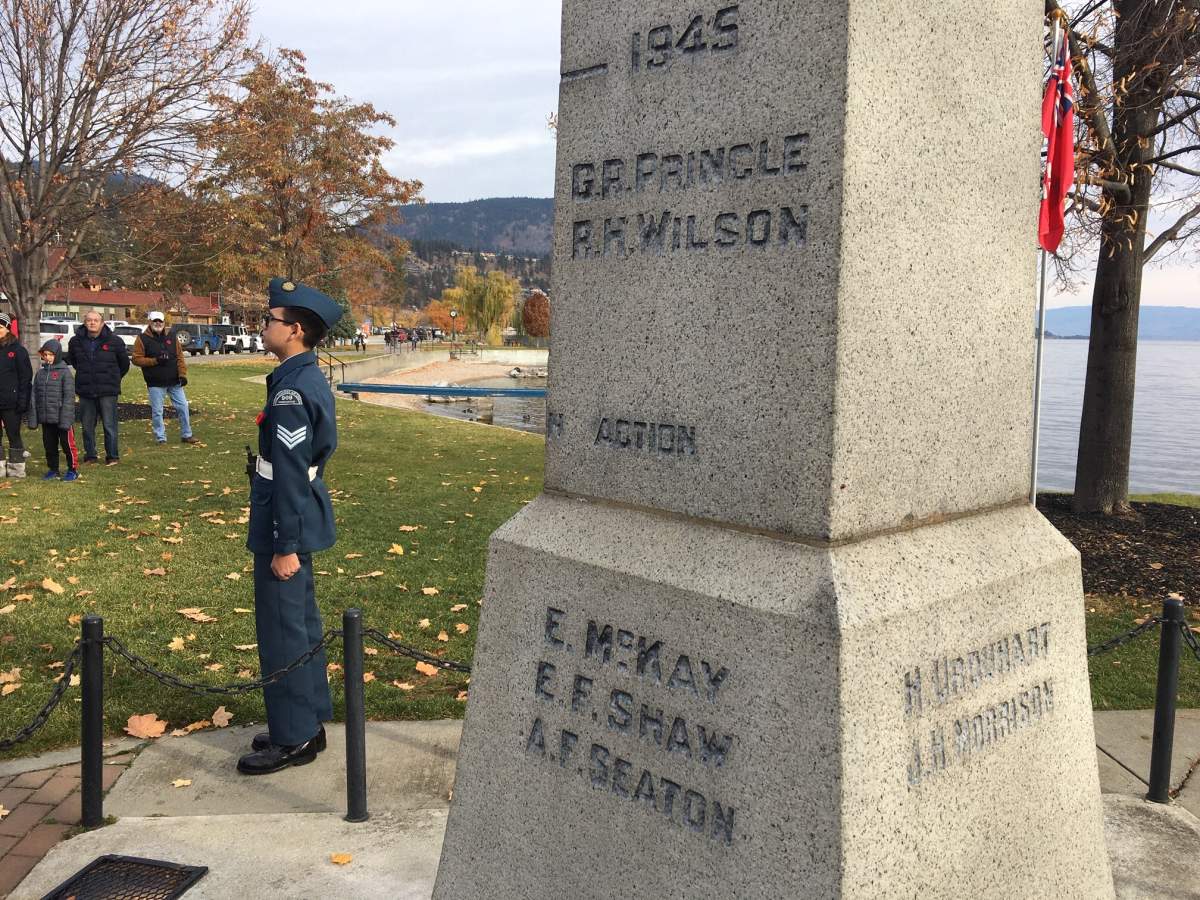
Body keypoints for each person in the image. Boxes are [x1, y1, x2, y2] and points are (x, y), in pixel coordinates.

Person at [238, 278, 342, 776]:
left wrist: (286, 544)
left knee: (283, 628)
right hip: (292, 513)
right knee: (300, 622)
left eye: (269, 320)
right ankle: (307, 720)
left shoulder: (291, 391)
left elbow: (290, 472)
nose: (263, 326)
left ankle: (294, 736)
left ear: (295, 330)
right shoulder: (299, 376)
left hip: (285, 518)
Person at [67, 310, 129, 465]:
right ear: (84, 322)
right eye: (89, 320)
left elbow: (124, 364)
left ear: (102, 323)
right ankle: (90, 456)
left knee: (109, 425)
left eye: (96, 320)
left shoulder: (115, 341)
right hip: (86, 389)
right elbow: (74, 362)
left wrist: (113, 378)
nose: (92, 323)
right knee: (87, 426)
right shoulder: (75, 341)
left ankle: (112, 456)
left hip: (108, 390)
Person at [131, 312, 198, 445]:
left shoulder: (172, 337)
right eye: (155, 321)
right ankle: (161, 438)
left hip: (174, 381)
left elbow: (180, 357)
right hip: (155, 382)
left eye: (160, 321)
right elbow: (136, 359)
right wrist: (155, 361)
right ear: (150, 322)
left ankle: (186, 435)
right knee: (157, 411)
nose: (158, 323)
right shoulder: (142, 339)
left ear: (164, 322)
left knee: (183, 407)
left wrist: (182, 375)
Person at [27, 340, 78, 481]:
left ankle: (72, 469)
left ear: (58, 355)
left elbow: (69, 397)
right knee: (49, 446)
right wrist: (34, 418)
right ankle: (53, 469)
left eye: (51, 354)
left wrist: (66, 419)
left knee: (67, 445)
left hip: (62, 417)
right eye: (45, 354)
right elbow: (34, 397)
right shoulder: (40, 374)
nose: (47, 357)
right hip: (46, 418)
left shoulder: (65, 373)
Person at [0, 313, 32, 478]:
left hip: (11, 402)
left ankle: (16, 469)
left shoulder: (18, 350)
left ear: (7, 329)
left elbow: (25, 378)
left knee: (13, 435)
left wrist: (22, 401)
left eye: (0, 327)